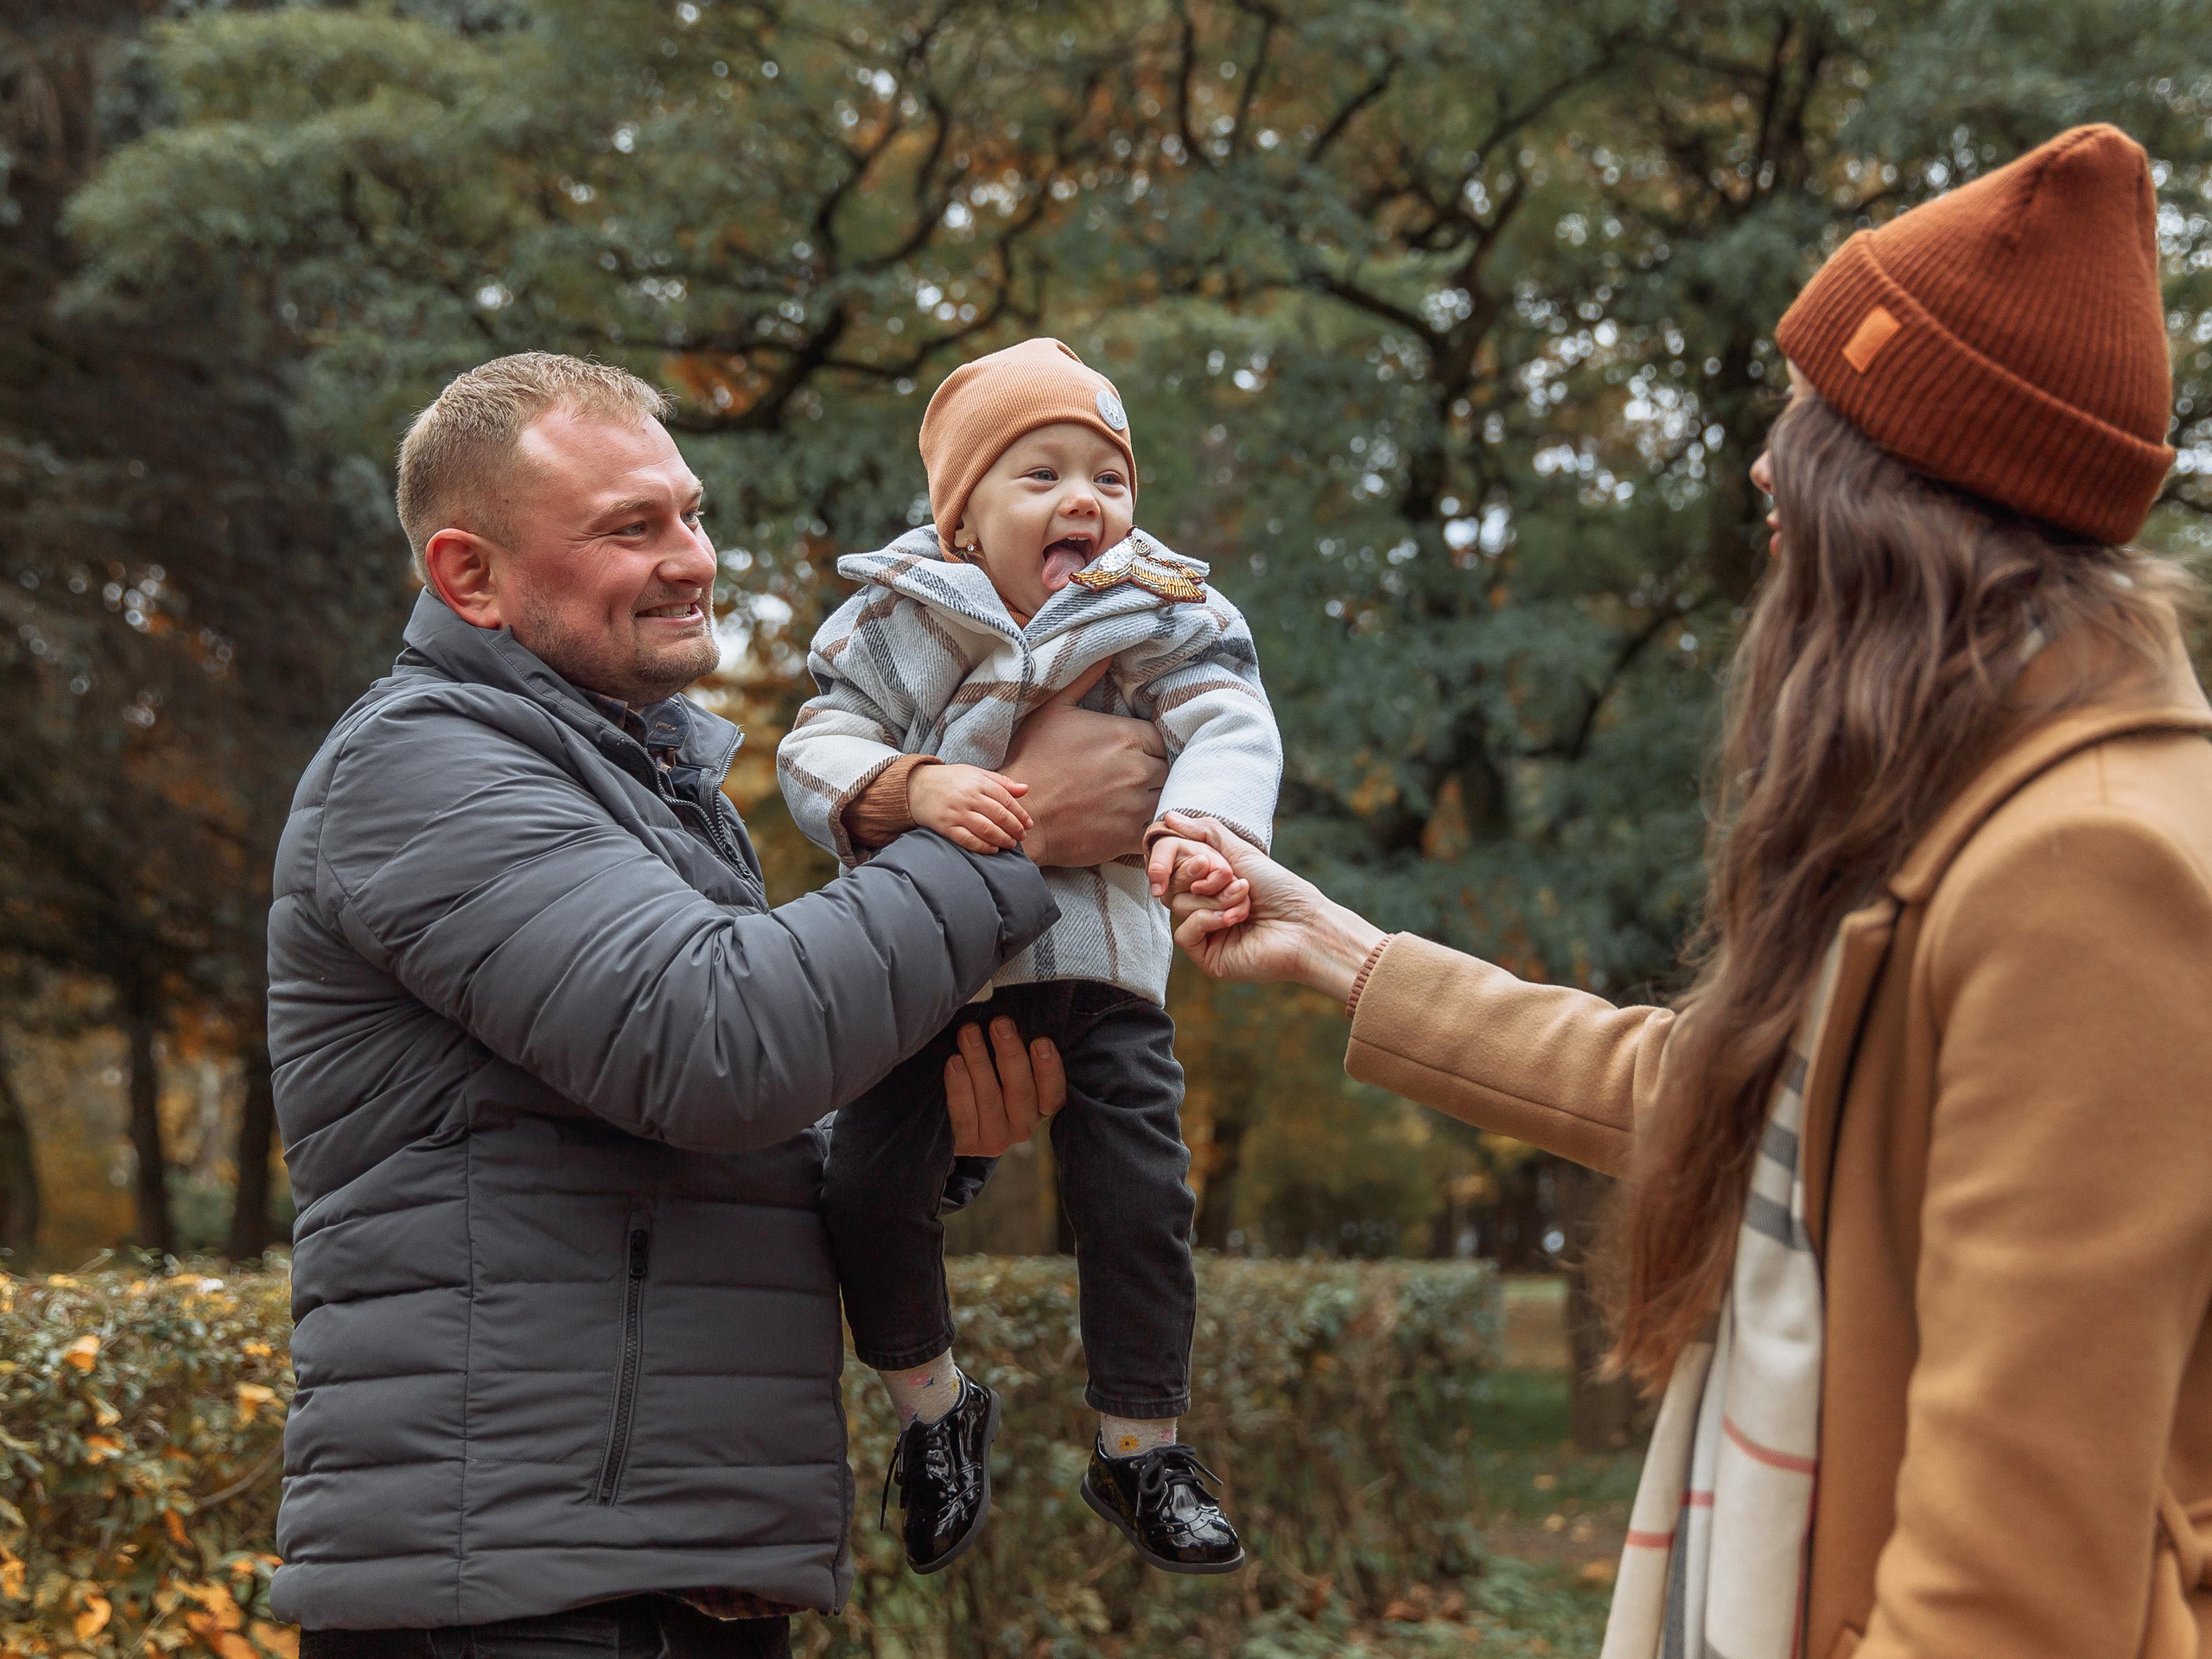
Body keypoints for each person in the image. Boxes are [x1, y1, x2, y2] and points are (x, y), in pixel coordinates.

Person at [1166, 124, 2212, 1659]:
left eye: (1809, 435)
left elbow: (2012, 1591)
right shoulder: (1991, 805)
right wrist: (1344, 950)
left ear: (1900, 507)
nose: (1764, 472)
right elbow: (1746, 1096)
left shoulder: (2092, 866)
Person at [265, 352, 1173, 1659]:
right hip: (515, 1597)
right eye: (631, 528)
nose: (693, 558)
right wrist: (1011, 840)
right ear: (471, 577)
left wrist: (931, 1145)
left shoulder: (646, 788)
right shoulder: (419, 765)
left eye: (690, 512)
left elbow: (716, 1145)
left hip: (680, 1575)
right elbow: (714, 1046)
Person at [777, 338, 1276, 1576]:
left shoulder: (1163, 609)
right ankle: (932, 1407)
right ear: (961, 520)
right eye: (1041, 473)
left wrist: (1206, 830)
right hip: (928, 972)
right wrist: (913, 783)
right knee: (865, 1193)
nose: (1085, 503)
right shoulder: (898, 621)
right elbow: (813, 745)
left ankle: (1139, 1443)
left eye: (1109, 477)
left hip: (1100, 962)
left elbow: (1226, 720)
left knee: (1142, 1200)